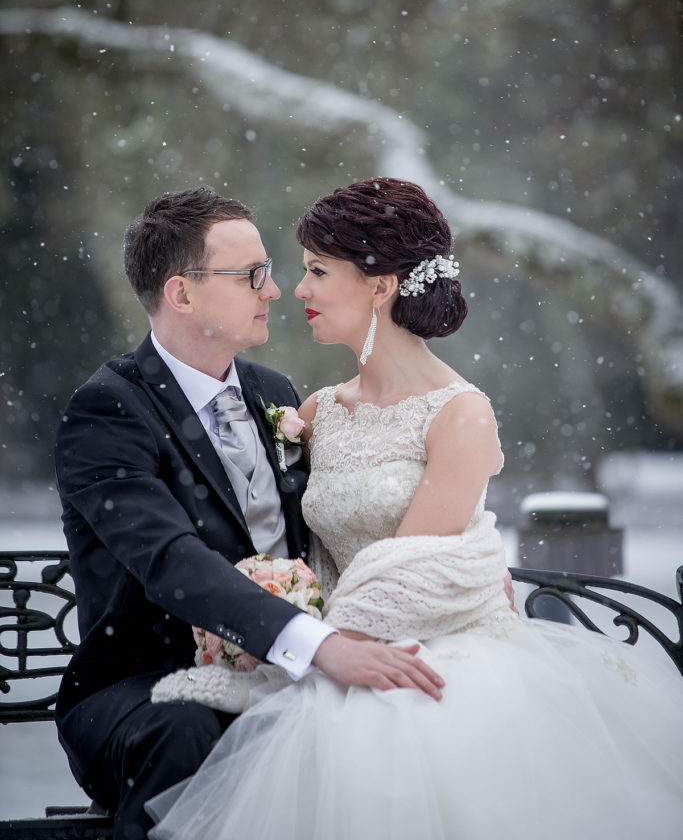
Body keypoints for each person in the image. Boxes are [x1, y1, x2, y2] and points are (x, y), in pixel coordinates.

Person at [148, 177, 683, 840]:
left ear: (380, 286)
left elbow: (407, 572)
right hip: (343, 644)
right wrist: (278, 623)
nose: (299, 290)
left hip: (443, 651)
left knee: (387, 744)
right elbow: (288, 536)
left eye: (318, 271)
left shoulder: (460, 414)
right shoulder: (314, 411)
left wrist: (305, 651)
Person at [54, 187, 445, 840]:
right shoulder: (108, 412)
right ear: (182, 293)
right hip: (144, 687)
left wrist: (454, 563)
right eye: (253, 275)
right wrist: (317, 647)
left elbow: (345, 515)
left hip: (287, 668)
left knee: (404, 717)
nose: (276, 290)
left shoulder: (275, 393)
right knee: (194, 729)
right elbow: (170, 560)